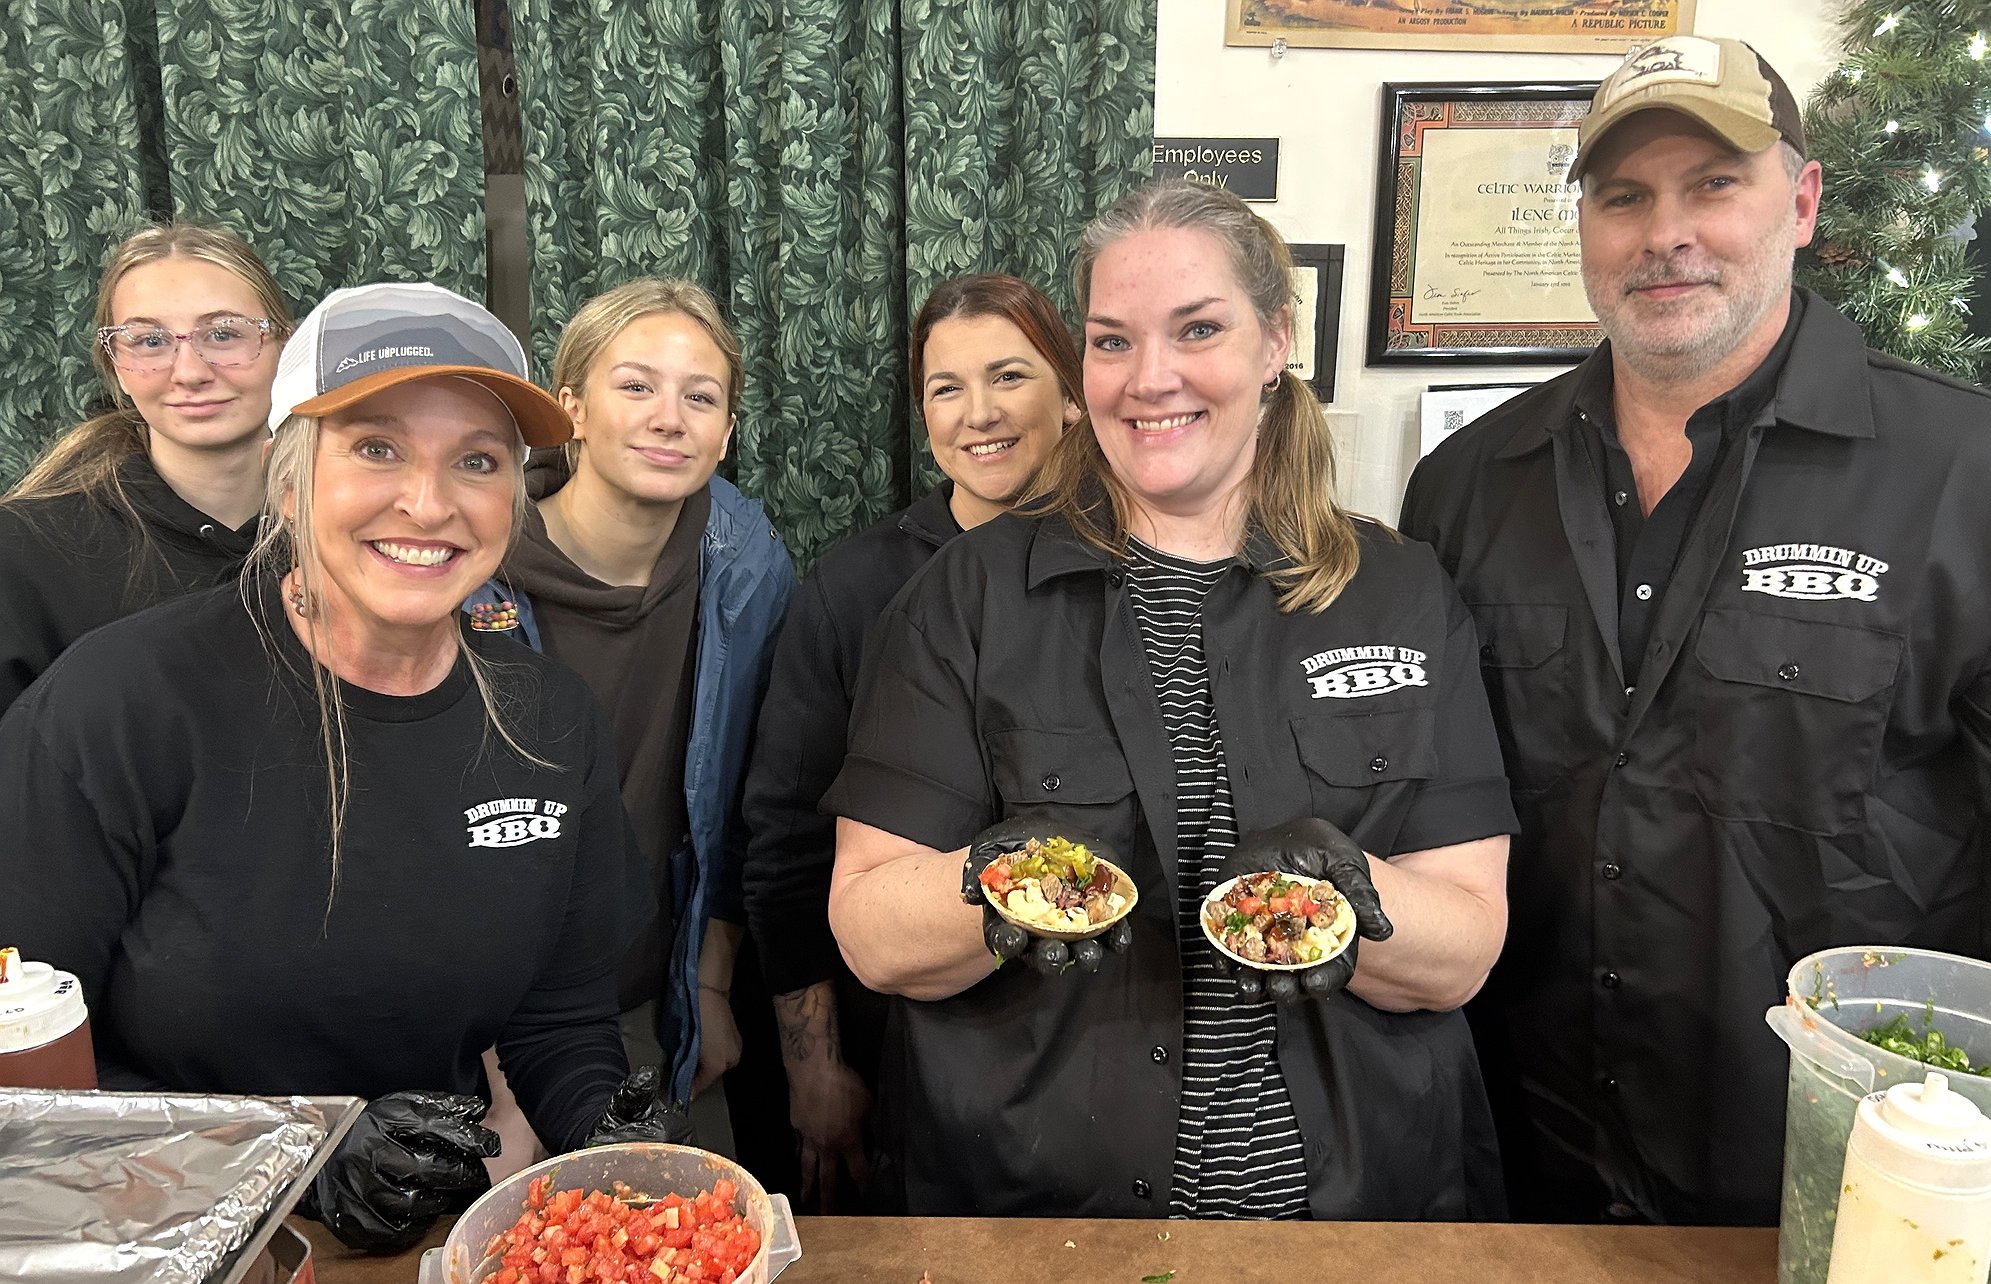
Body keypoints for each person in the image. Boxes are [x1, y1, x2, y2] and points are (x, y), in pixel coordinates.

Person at [822, 179, 1518, 1219]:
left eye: (1197, 329)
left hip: (1349, 1213)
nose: (1150, 380)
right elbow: (870, 930)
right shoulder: (965, 597)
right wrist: (1000, 882)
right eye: (1112, 341)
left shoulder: (1401, 591)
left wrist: (1347, 897)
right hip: (1043, 1213)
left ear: (1275, 340)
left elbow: (1461, 952)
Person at [1398, 35, 1991, 1227]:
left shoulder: (1962, 473)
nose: (1662, 234)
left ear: (1800, 202)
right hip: (1517, 1156)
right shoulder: (1465, 486)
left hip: (1826, 1174)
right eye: (1622, 197)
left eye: (1711, 185)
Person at [0, 282, 685, 1252]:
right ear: (287, 481)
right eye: (376, 449)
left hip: (429, 1243)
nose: (429, 503)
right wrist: (298, 1157)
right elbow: (28, 1072)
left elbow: (556, 1018)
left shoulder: (546, 719)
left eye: (477, 460)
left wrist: (607, 1135)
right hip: (156, 1241)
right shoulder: (120, 702)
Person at [741, 273, 1082, 1210]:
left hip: (1094, 1045)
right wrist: (813, 1065)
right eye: (945, 387)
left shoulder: (1136, 568)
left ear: (1072, 394)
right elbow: (784, 844)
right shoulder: (854, 588)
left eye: (1008, 376)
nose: (979, 413)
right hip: (902, 1044)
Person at [465, 277, 794, 1129]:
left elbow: (751, 799)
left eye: (700, 397)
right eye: (636, 386)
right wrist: (494, 1065)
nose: (668, 418)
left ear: (726, 432)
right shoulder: (464, 567)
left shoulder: (749, 567)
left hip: (658, 1001)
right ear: (570, 407)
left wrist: (709, 984)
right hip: (475, 1022)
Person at [0, 223, 292, 713]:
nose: (190, 373)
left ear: (285, 346)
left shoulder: (356, 527)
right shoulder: (23, 551)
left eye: (224, 334)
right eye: (150, 341)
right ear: (115, 365)